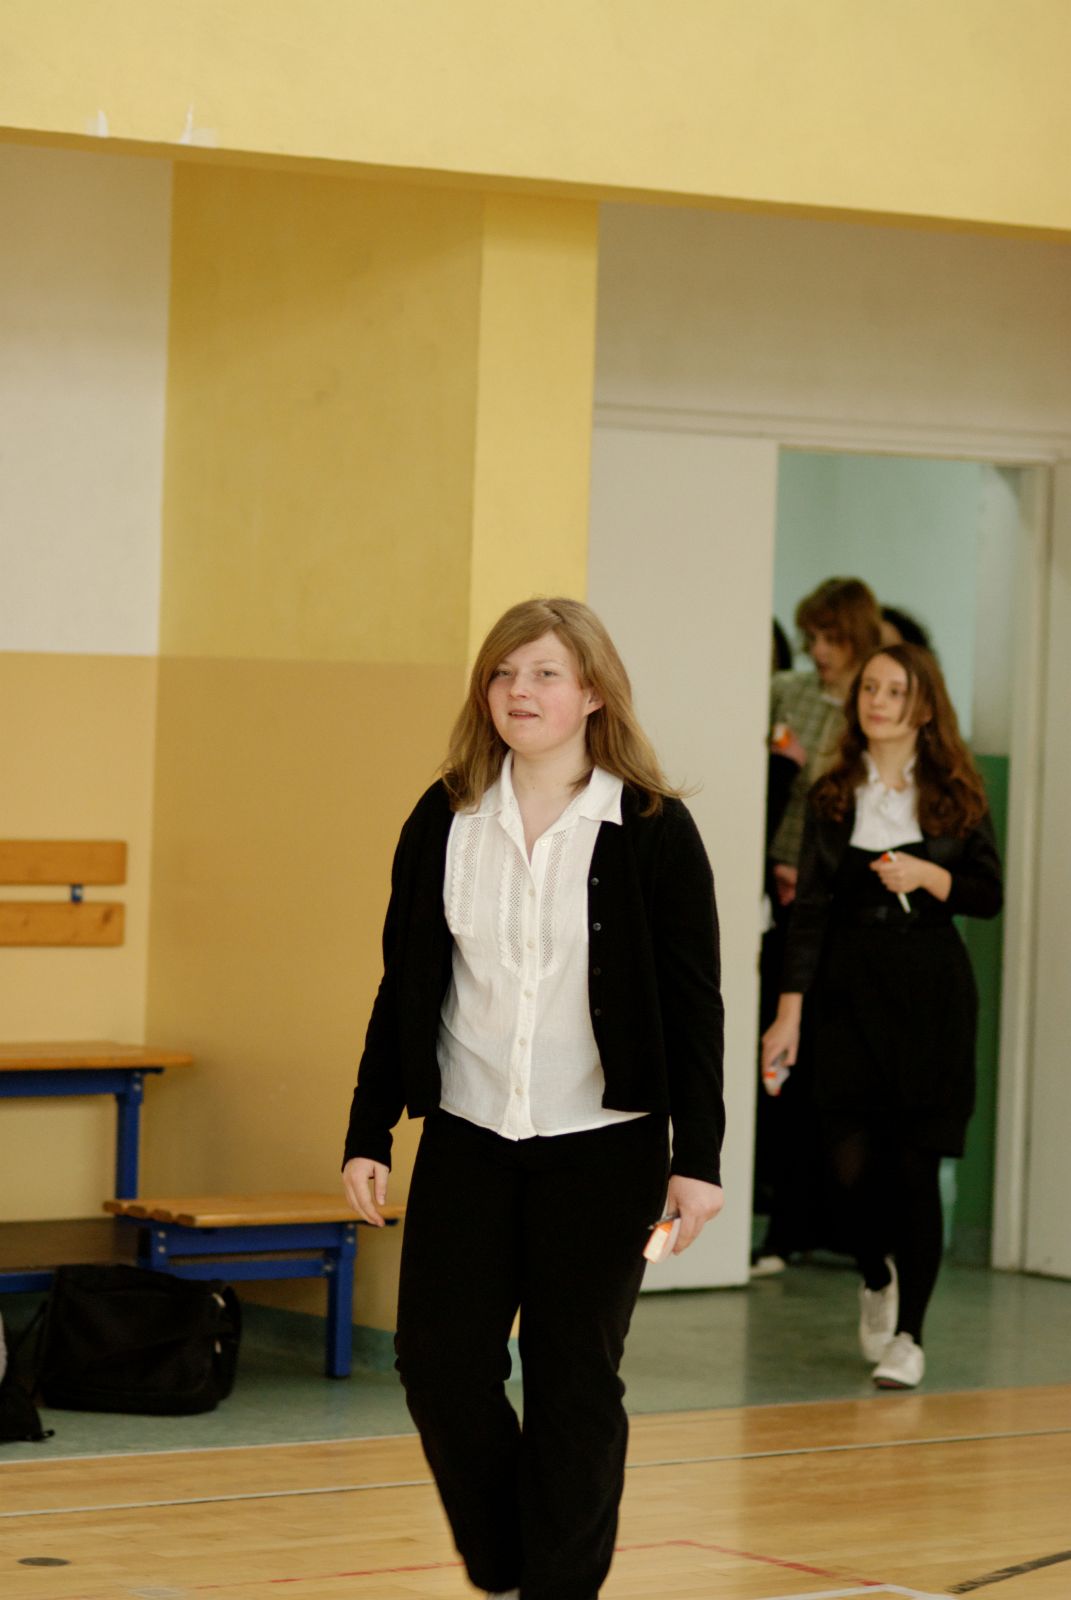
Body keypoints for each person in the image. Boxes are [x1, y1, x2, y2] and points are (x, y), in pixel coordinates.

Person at [341, 597, 725, 1600]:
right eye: (505, 673)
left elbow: (695, 1006)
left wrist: (700, 1159)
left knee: (573, 1380)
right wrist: (368, 1129)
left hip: (606, 1149)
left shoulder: (653, 829)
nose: (521, 691)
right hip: (469, 1136)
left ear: (593, 692)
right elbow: (403, 984)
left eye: (546, 672)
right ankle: (511, 1561)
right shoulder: (444, 816)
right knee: (437, 1364)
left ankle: (559, 1589)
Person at [761, 643, 1002, 1389]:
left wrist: (929, 874)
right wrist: (787, 1014)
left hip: (930, 997)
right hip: (845, 995)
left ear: (923, 706)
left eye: (894, 691)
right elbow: (808, 914)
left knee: (915, 1167)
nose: (877, 701)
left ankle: (910, 1337)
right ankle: (873, 1272)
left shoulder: (955, 791)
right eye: (869, 688)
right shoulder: (833, 791)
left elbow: (987, 893)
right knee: (847, 1165)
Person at [753, 577, 883, 1274]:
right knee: (782, 1060)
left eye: (832, 638)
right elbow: (769, 780)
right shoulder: (787, 691)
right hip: (780, 882)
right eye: (813, 638)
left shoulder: (875, 702)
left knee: (837, 1068)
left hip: (838, 895)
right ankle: (784, 1221)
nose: (820, 651)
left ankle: (842, 1224)